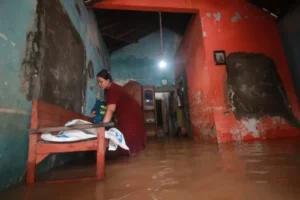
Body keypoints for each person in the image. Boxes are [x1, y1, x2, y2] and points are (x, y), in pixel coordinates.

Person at [95, 69, 147, 155]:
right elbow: (109, 107)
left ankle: (133, 155)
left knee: (130, 133)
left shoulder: (112, 89)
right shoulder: (108, 89)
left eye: (101, 81)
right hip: (126, 110)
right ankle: (131, 153)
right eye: (98, 82)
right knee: (125, 131)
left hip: (131, 111)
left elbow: (110, 109)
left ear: (108, 80)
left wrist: (102, 127)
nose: (100, 84)